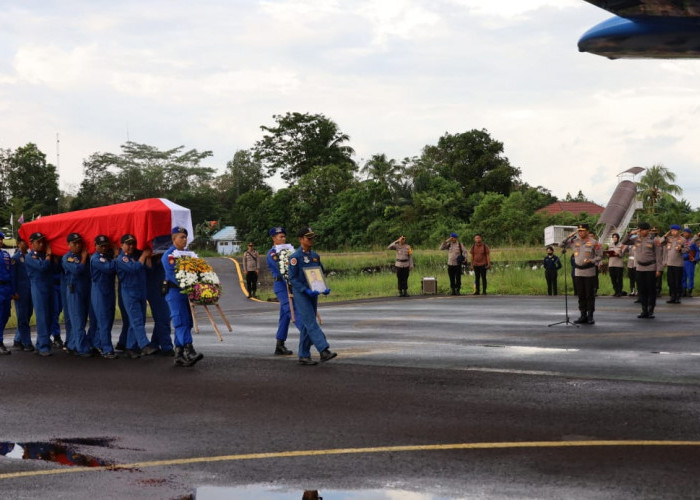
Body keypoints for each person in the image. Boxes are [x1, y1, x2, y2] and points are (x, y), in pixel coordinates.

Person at [288, 227, 336, 365]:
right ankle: (324, 350)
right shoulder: (295, 258)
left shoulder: (315, 255)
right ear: (301, 239)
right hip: (302, 293)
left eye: (312, 238)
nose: (311, 240)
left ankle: (303, 355)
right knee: (310, 321)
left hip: (313, 292)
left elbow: (320, 272)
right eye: (308, 238)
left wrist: (324, 288)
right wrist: (304, 289)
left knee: (306, 324)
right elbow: (292, 278)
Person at [162, 226, 204, 367]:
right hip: (175, 292)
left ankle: (179, 354)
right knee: (180, 321)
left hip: (187, 291)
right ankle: (189, 349)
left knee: (188, 322)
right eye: (182, 237)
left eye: (185, 237)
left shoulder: (189, 254)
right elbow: (174, 275)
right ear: (174, 238)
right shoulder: (170, 255)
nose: (185, 240)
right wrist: (190, 285)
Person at [115, 234, 158, 358]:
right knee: (136, 320)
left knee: (139, 321)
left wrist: (148, 257)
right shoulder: (121, 259)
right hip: (129, 293)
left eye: (133, 243)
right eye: (128, 244)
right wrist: (144, 256)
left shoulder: (136, 256)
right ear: (121, 245)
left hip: (140, 291)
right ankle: (145, 345)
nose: (131, 246)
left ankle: (130, 347)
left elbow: (149, 270)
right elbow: (133, 269)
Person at [561, 224, 602, 324]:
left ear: (587, 231)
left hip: (589, 272)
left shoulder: (594, 242)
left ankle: (590, 316)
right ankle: (582, 315)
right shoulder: (574, 242)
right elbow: (561, 245)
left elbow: (600, 256)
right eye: (579, 231)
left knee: (589, 295)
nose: (580, 232)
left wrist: (591, 260)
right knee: (581, 295)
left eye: (582, 230)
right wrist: (570, 235)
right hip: (578, 272)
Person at [266, 227, 297, 355]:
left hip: (292, 284)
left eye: (284, 236)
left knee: (284, 316)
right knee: (293, 312)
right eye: (280, 237)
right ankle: (312, 335)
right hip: (282, 285)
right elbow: (281, 270)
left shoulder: (289, 251)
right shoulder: (273, 254)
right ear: (274, 239)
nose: (283, 239)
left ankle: (280, 344)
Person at [62, 233, 93, 356]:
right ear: (68, 245)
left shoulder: (84, 256)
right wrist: (84, 259)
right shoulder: (67, 257)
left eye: (79, 242)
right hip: (74, 291)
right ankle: (81, 348)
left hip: (85, 289)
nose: (77, 245)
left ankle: (72, 344)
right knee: (77, 320)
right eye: (74, 243)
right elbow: (76, 270)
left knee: (82, 319)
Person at [623, 222, 663, 318]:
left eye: (642, 230)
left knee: (651, 290)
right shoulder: (636, 239)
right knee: (642, 290)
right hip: (640, 267)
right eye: (639, 230)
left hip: (651, 267)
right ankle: (644, 310)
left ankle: (651, 310)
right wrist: (631, 233)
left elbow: (658, 256)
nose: (640, 232)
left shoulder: (653, 240)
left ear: (647, 230)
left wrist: (659, 269)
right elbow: (624, 242)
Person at [24, 232, 55, 356]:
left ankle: (40, 343)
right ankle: (43, 346)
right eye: (38, 242)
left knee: (49, 316)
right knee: (42, 317)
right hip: (37, 288)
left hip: (48, 287)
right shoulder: (29, 256)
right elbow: (42, 267)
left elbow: (53, 268)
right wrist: (48, 255)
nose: (41, 244)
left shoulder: (43, 255)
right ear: (31, 243)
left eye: (43, 242)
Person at [90, 235, 118, 359]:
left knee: (109, 318)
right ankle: (107, 348)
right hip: (99, 291)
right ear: (95, 246)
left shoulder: (107, 257)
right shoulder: (95, 258)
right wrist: (117, 256)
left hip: (108, 290)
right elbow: (109, 268)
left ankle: (97, 343)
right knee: (103, 320)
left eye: (105, 245)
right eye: (101, 246)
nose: (103, 248)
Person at [11, 237, 34, 352]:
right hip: (20, 292)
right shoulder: (15, 258)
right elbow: (12, 277)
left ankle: (18, 339)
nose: (26, 244)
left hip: (30, 291)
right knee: (22, 317)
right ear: (19, 243)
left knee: (28, 315)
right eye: (24, 241)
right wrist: (13, 291)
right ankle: (27, 342)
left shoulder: (30, 256)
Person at [0, 231, 16, 355]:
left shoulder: (5, 255)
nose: (0, 241)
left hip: (6, 288)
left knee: (5, 316)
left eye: (1, 239)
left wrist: (12, 290)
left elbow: (11, 273)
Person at [682, 228, 698, 296]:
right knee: (683, 276)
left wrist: (696, 258)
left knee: (690, 276)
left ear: (690, 234)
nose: (685, 234)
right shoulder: (681, 241)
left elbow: (697, 251)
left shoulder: (692, 242)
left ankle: (690, 290)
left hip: (689, 261)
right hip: (682, 261)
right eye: (684, 233)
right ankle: (683, 290)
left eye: (687, 233)